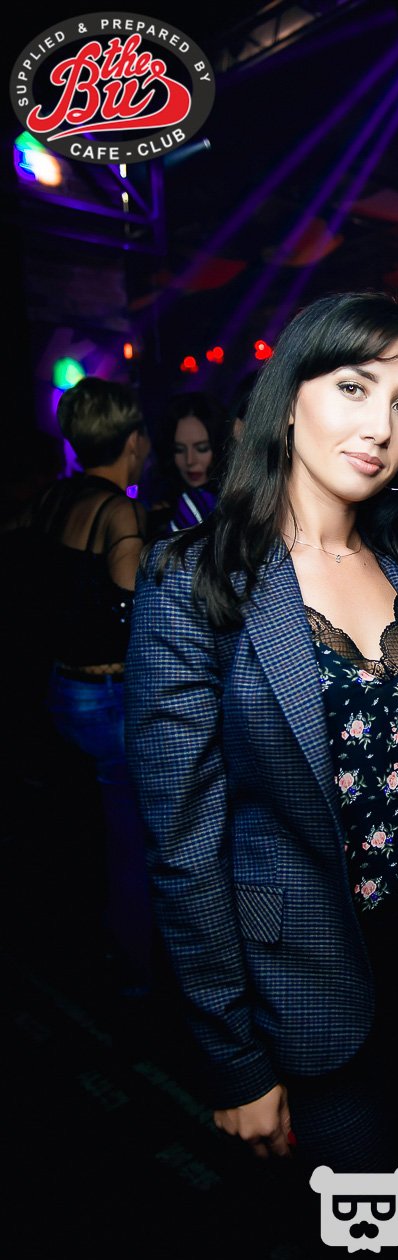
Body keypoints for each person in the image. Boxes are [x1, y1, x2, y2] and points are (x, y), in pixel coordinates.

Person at [124, 292, 398, 1180]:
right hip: (305, 981)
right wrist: (232, 1056)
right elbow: (183, 845)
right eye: (354, 388)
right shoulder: (194, 579)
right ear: (287, 401)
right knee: (364, 1223)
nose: (381, 426)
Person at [16, 376, 154, 992]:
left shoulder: (54, 498)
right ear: (133, 440)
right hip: (107, 701)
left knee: (81, 832)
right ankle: (136, 975)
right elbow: (132, 614)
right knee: (129, 844)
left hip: (59, 689)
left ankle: (81, 949)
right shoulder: (118, 511)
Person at [141, 390, 230, 538]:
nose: (190, 460)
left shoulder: (236, 504)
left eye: (202, 448)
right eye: (179, 450)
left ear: (220, 447)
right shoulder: (161, 507)